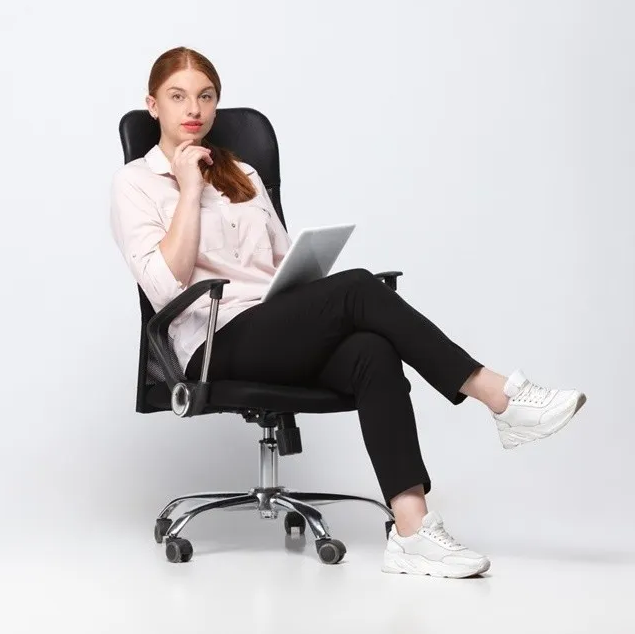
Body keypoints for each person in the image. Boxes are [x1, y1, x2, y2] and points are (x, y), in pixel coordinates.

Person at [109, 46, 589, 579]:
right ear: (153, 105)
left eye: (205, 96)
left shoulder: (242, 173)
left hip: (273, 326)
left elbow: (280, 262)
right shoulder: (135, 184)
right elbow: (164, 285)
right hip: (213, 344)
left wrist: (303, 284)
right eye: (178, 97)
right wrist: (189, 189)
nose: (193, 109)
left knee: (371, 350)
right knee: (359, 287)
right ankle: (499, 396)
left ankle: (412, 532)